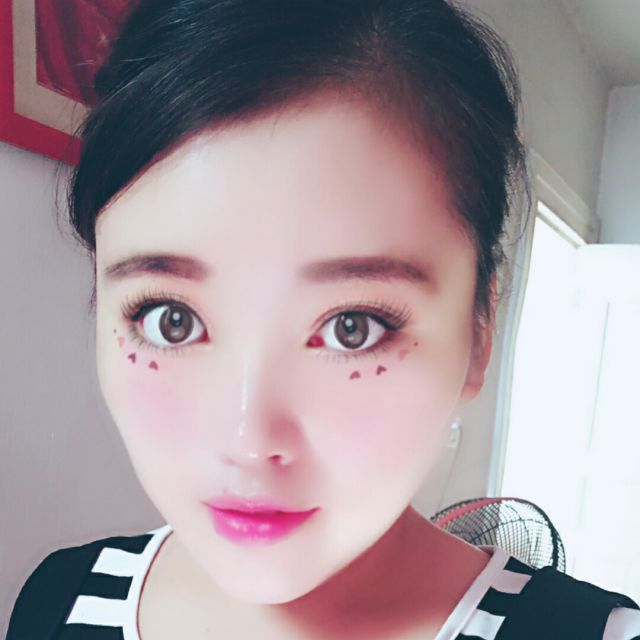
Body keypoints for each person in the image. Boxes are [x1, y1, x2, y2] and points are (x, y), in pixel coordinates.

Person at [7, 1, 640, 638]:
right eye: (170, 321)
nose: (249, 443)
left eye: (352, 328)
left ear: (479, 333)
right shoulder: (57, 601)